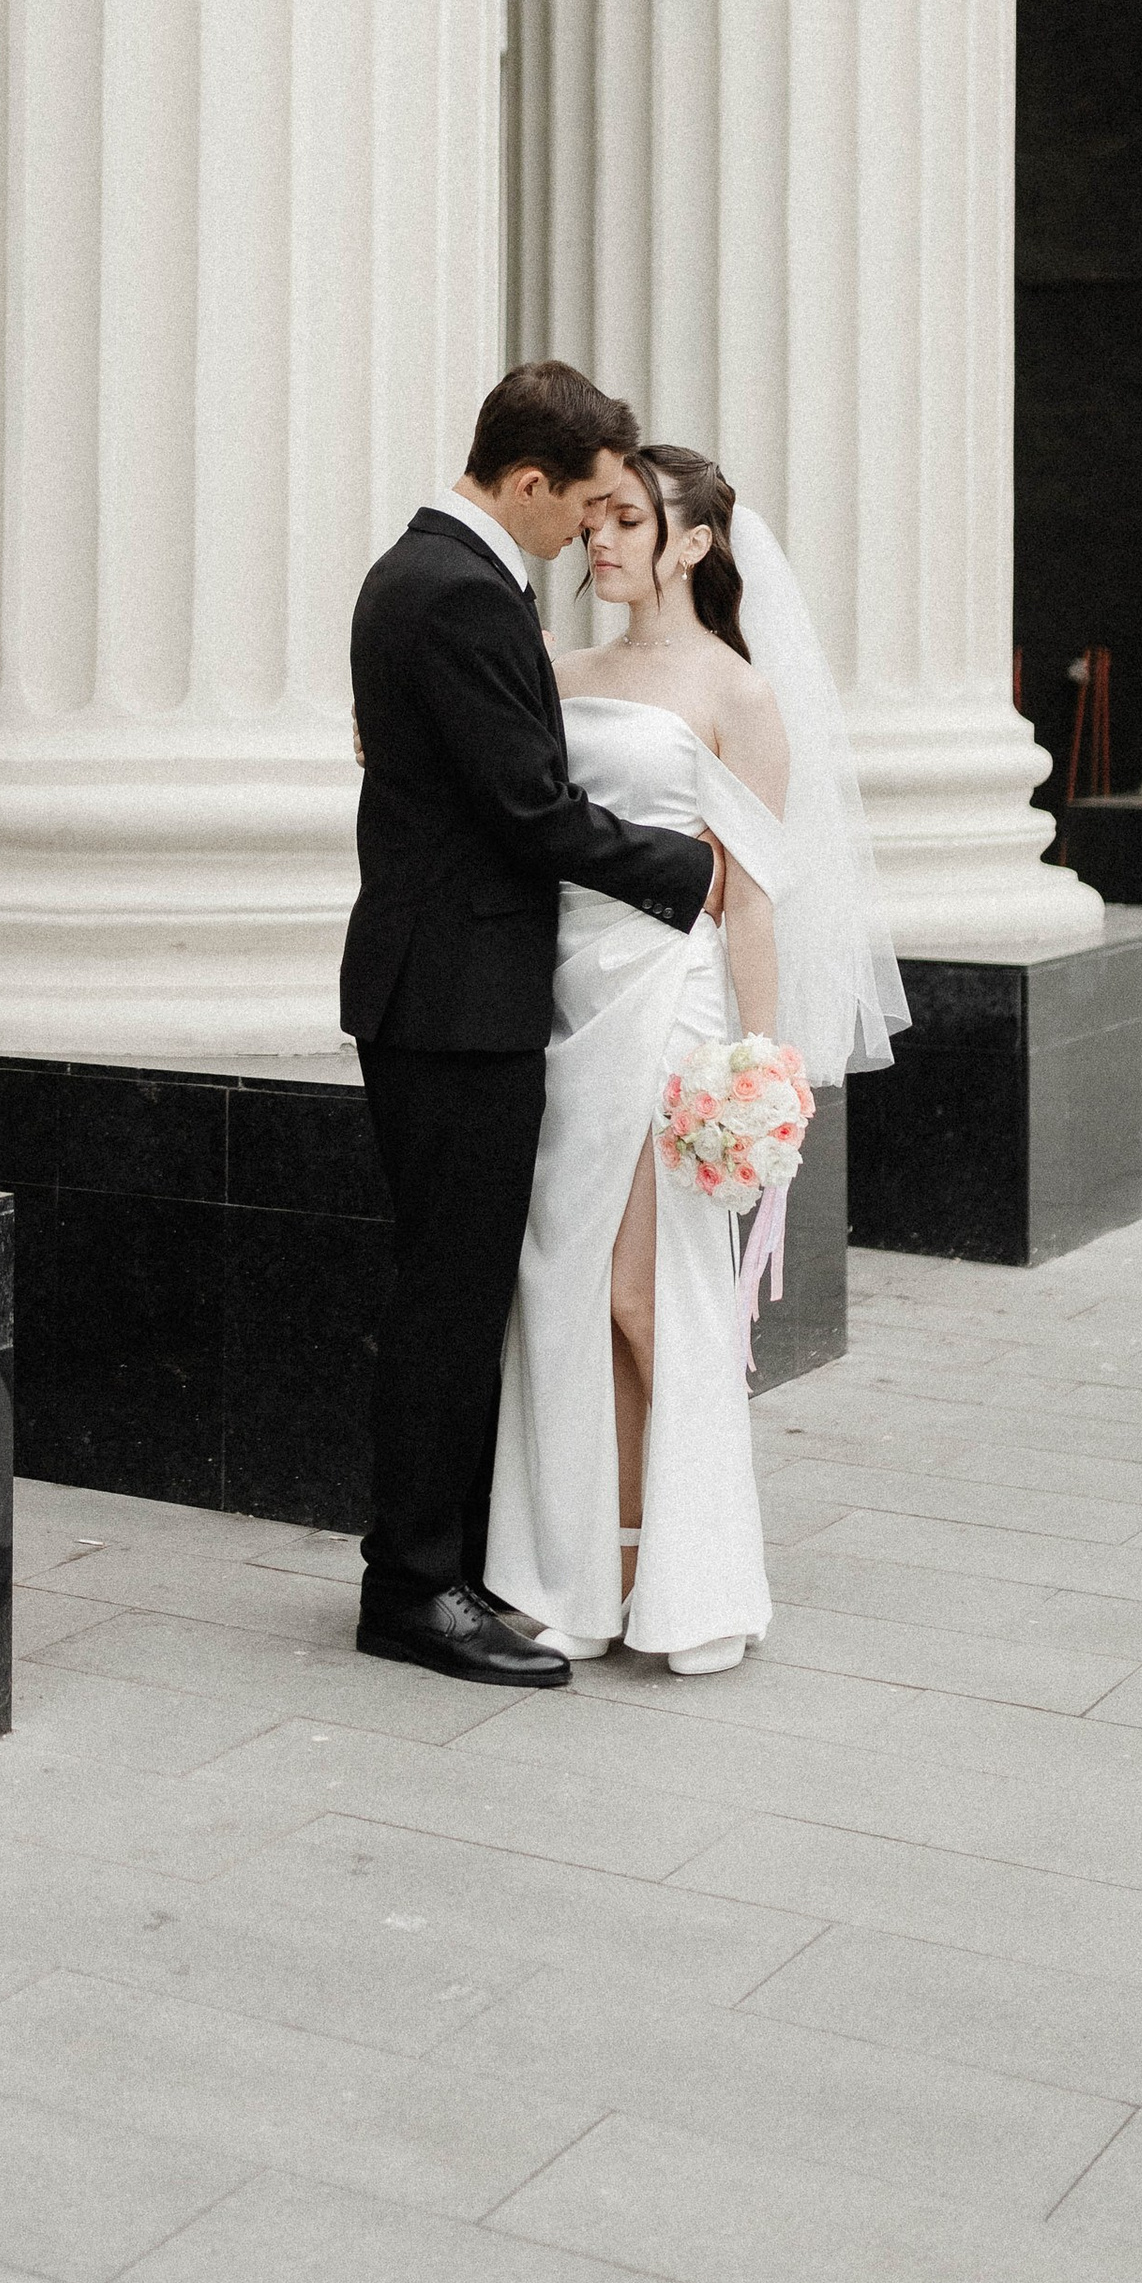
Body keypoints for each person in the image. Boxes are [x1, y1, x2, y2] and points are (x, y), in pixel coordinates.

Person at [483, 445, 907, 1673]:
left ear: (694, 543)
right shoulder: (563, 671)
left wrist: (762, 1069)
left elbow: (757, 897)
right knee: (568, 1294)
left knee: (640, 1294)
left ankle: (705, 1570)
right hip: (566, 998)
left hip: (674, 1003)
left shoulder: (736, 692)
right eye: (596, 518)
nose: (598, 539)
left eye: (626, 520)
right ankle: (598, 1571)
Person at [342, 364, 722, 1687]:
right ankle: (410, 1591)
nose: (586, 535)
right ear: (527, 485)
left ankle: (441, 1573)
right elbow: (530, 807)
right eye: (583, 507)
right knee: (447, 1302)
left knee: (455, 1295)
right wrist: (688, 873)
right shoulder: (452, 589)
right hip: (454, 1003)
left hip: (453, 990)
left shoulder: (430, 576)